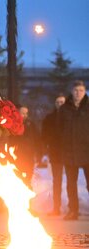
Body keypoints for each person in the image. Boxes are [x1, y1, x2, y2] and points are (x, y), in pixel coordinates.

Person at [58, 80, 89, 220]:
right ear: (72, 91)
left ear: (85, 91)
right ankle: (73, 211)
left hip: (87, 150)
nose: (78, 93)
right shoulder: (64, 109)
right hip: (69, 151)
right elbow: (57, 130)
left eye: (81, 90)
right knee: (71, 184)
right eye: (76, 90)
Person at [41, 94, 66, 215]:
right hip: (56, 153)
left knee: (73, 182)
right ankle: (57, 207)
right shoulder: (49, 118)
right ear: (55, 104)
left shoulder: (71, 118)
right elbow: (44, 136)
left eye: (62, 102)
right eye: (58, 102)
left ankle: (74, 209)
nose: (60, 104)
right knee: (57, 181)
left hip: (71, 152)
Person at [10, 105, 41, 188]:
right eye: (22, 113)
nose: (24, 115)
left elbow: (38, 139)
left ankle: (27, 196)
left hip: (29, 156)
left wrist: (39, 153)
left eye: (26, 113)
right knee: (18, 177)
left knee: (28, 177)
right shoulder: (13, 124)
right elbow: (10, 141)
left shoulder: (31, 125)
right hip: (17, 156)